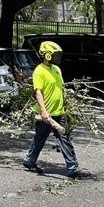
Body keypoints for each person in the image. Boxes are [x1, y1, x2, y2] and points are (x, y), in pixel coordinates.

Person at [23, 40, 85, 178]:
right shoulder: (39, 70)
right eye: (55, 55)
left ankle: (72, 168)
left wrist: (66, 105)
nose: (58, 57)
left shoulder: (57, 69)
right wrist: (44, 111)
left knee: (65, 140)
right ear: (47, 55)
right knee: (39, 139)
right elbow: (38, 92)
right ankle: (29, 160)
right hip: (46, 114)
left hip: (59, 112)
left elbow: (59, 89)